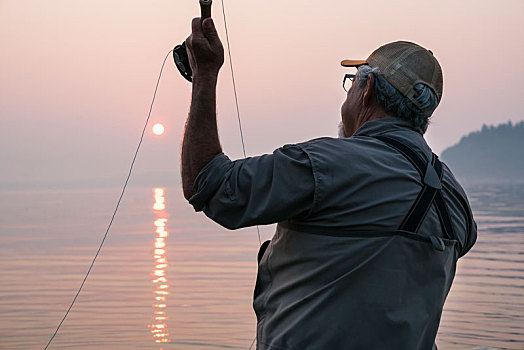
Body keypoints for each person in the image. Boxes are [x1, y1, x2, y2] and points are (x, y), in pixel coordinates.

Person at [181, 16, 477, 350]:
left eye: (351, 82)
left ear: (367, 92)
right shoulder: (455, 200)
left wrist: (204, 76)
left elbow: (209, 185)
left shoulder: (324, 165)